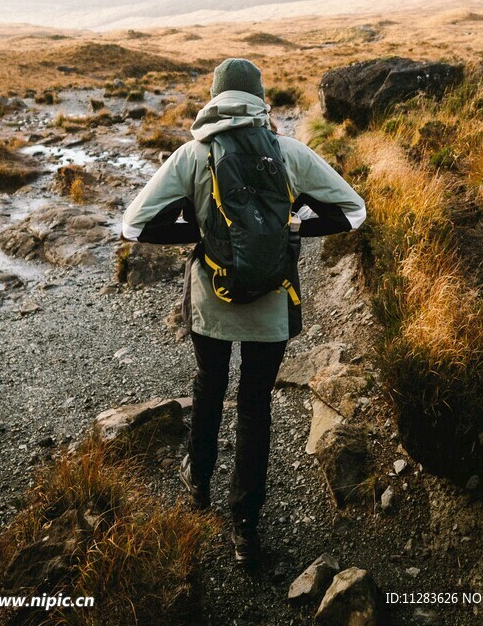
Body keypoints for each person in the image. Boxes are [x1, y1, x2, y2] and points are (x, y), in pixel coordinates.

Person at [121, 58, 366, 566]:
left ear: (213, 98)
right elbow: (353, 211)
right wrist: (292, 228)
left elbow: (134, 227)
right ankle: (246, 531)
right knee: (255, 404)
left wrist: (203, 234)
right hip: (272, 299)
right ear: (260, 102)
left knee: (209, 383)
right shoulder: (289, 151)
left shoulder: (193, 154)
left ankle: (199, 486)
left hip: (212, 298)